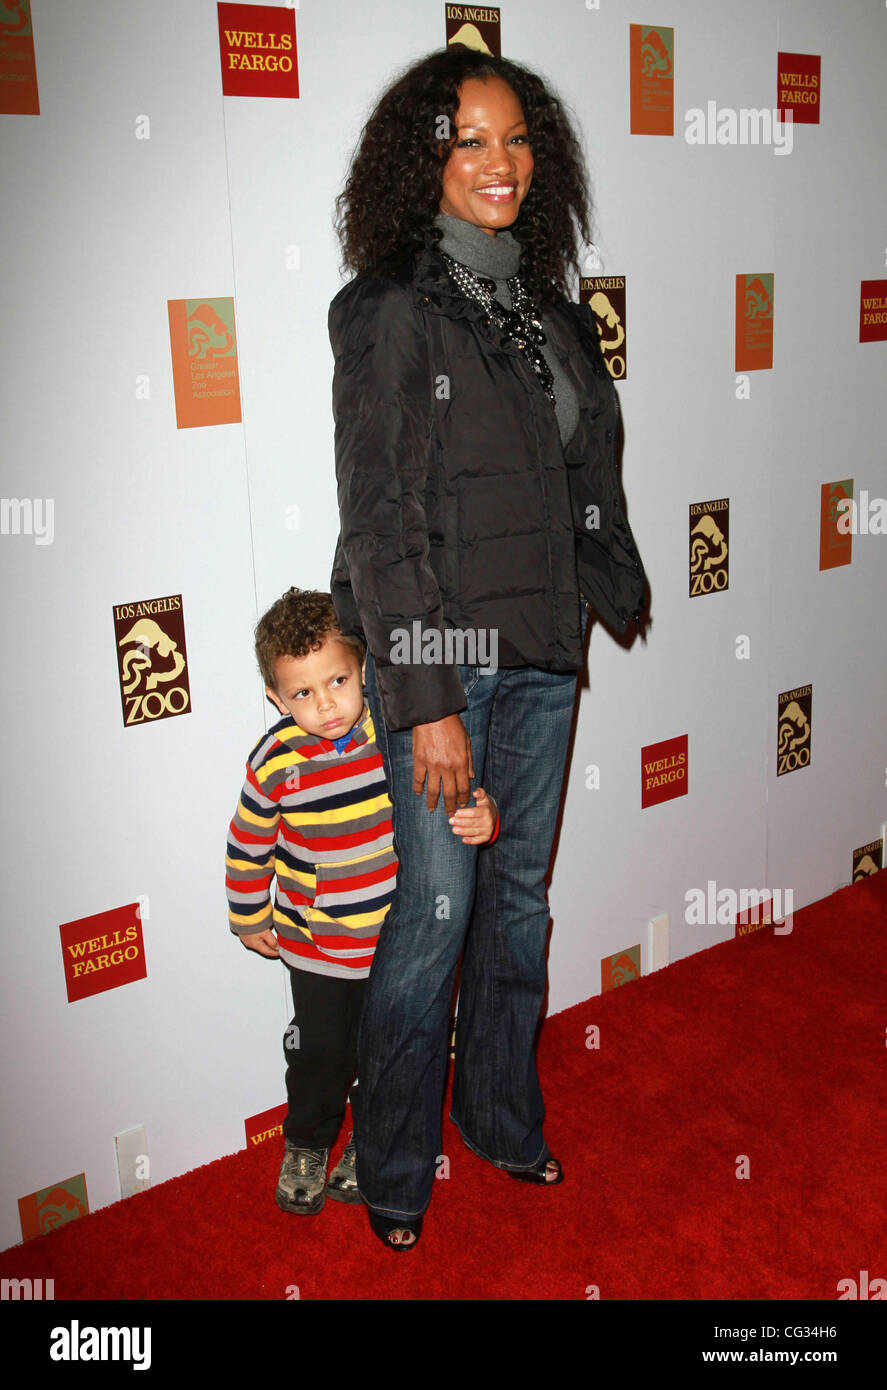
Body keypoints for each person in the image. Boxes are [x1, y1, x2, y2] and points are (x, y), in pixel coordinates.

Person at [329, 46, 647, 1249]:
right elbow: (382, 521)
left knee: (516, 898)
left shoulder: (551, 313)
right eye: (468, 139)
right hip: (444, 661)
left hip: (542, 649)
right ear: (425, 159)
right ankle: (395, 1163)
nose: (498, 162)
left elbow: (575, 477)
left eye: (515, 139)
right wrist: (426, 706)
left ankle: (503, 1116)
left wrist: (590, 591)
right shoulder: (392, 309)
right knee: (434, 912)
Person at [225, 586, 497, 1216]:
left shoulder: (392, 733)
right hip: (315, 947)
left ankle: (372, 1141)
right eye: (302, 694)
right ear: (275, 697)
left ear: (364, 669)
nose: (325, 706)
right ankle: (307, 1143)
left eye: (338, 681)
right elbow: (247, 842)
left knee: (387, 1052)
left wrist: (483, 812)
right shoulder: (274, 761)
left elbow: (452, 789)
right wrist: (248, 914)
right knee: (321, 1056)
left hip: (393, 942)